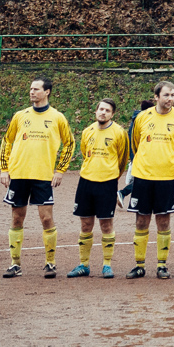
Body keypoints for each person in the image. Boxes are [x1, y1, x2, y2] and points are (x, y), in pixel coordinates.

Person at [0, 74, 75, 279]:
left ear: (47, 92)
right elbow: (7, 141)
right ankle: (15, 264)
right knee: (17, 218)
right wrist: (4, 168)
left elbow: (69, 144)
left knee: (47, 219)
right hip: (19, 174)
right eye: (31, 89)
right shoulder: (20, 115)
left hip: (43, 175)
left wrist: (60, 170)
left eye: (36, 89)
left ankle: (50, 263)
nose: (32, 92)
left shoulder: (57, 117)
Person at [127, 80, 174, 279]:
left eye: (172, 95)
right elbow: (135, 144)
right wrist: (143, 163)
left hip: (165, 177)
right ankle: (139, 265)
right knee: (141, 220)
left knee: (163, 220)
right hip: (143, 176)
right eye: (166, 95)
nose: (170, 99)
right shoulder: (143, 117)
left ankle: (162, 265)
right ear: (156, 97)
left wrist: (171, 164)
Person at [69, 98, 128, 278]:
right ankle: (84, 265)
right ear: (96, 111)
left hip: (107, 183)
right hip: (86, 181)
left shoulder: (119, 133)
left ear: (112, 114)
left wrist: (111, 175)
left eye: (107, 110)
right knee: (85, 224)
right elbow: (84, 152)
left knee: (106, 224)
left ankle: (107, 265)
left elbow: (122, 159)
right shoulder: (87, 131)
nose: (103, 112)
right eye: (101, 109)